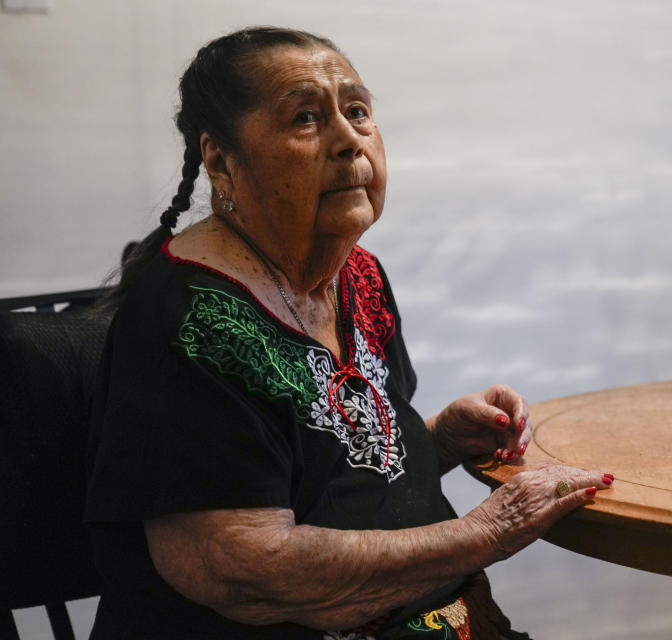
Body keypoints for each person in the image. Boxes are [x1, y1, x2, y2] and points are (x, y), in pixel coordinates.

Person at [84, 26, 614, 639]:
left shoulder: (355, 274)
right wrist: (490, 529)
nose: (348, 140)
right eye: (307, 118)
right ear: (221, 161)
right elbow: (242, 569)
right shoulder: (189, 321)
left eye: (357, 112)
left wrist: (436, 440)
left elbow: (334, 471)